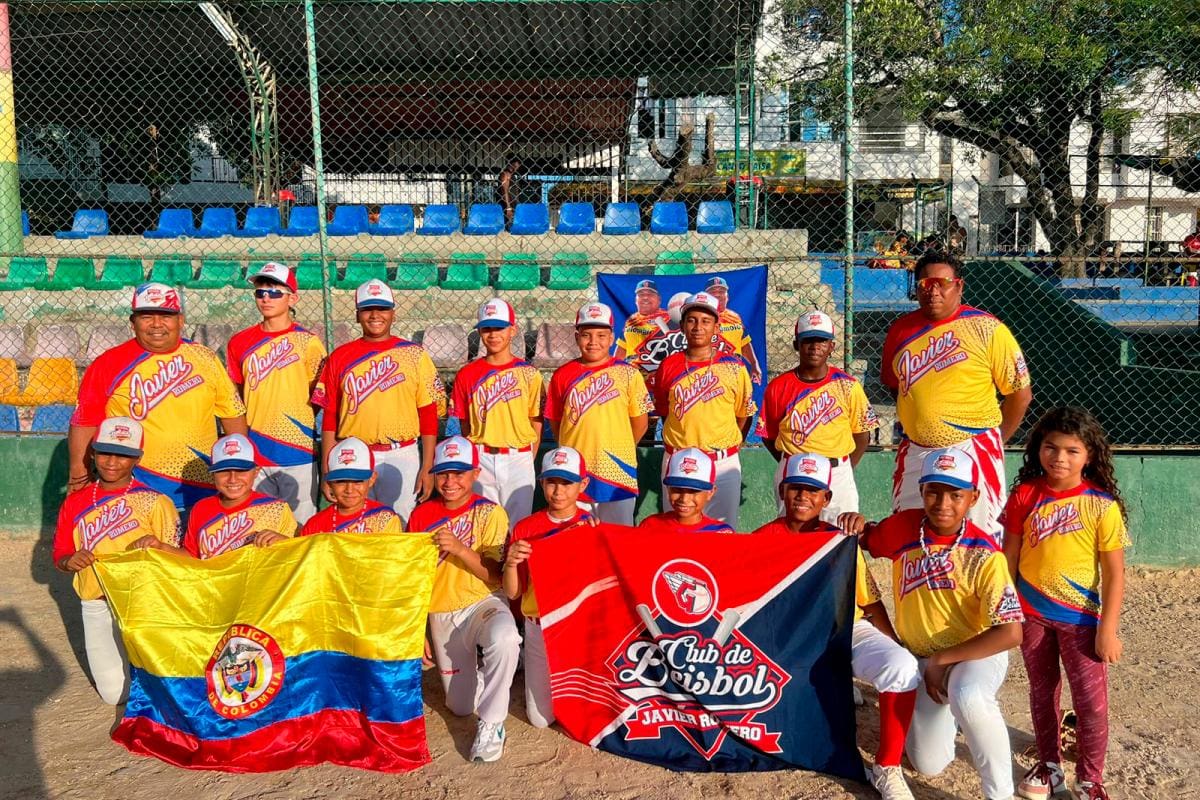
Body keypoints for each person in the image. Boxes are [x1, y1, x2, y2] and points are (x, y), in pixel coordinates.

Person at [840, 447, 1024, 800]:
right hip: (922, 659)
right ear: (922, 490)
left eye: (956, 494)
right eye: (934, 491)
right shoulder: (903, 528)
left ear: (973, 497)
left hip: (974, 654)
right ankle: (950, 714)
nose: (943, 503)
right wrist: (856, 523)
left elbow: (1010, 632)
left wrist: (942, 661)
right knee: (927, 762)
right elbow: (866, 537)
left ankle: (1000, 794)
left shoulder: (984, 552)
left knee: (968, 695)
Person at [753, 453, 920, 800]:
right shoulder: (761, 538)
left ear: (826, 498)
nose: (803, 497)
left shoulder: (838, 539)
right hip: (790, 637)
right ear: (782, 493)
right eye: (796, 488)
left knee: (901, 667)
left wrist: (895, 644)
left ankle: (887, 767)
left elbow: (870, 602)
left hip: (844, 630)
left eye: (813, 491)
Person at [1002, 407, 1129, 800]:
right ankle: (1050, 766)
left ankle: (1090, 779)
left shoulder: (1101, 505)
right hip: (1031, 613)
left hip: (1082, 620)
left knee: (1090, 703)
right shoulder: (1025, 494)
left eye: (1072, 451)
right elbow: (1009, 555)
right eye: (1050, 447)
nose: (1059, 458)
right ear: (1037, 449)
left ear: (1089, 455)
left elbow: (1114, 573)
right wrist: (1006, 607)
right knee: (1043, 693)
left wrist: (1107, 630)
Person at [881, 251, 1033, 536]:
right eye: (925, 284)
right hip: (916, 450)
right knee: (909, 533)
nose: (933, 290)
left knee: (979, 539)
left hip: (973, 447)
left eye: (942, 283)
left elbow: (1020, 395)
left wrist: (993, 442)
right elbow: (896, 387)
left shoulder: (988, 329)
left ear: (959, 286)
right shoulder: (900, 331)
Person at [68, 283, 248, 512]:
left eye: (165, 316)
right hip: (137, 487)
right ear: (133, 323)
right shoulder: (108, 364)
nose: (156, 324)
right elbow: (85, 421)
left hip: (201, 484)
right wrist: (78, 473)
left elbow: (232, 413)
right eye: (146, 317)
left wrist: (238, 464)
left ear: (180, 321)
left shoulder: (205, 358)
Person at [51, 417, 180, 705]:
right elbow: (59, 553)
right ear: (93, 453)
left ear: (137, 459)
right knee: (113, 695)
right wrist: (69, 560)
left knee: (163, 686)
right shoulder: (75, 501)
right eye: (105, 452)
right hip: (96, 601)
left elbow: (179, 561)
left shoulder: (155, 501)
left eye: (123, 455)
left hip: (144, 603)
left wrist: (158, 549)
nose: (112, 461)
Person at [407, 436, 520, 763]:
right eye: (443, 473)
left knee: (506, 637)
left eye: (459, 473)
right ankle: (483, 677)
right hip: (441, 613)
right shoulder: (420, 516)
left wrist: (459, 549)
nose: (450, 481)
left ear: (474, 474)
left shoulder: (490, 512)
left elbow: (495, 576)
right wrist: (418, 629)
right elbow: (413, 579)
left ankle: (493, 723)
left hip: (481, 603)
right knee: (459, 706)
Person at [314, 279, 446, 524]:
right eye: (367, 309)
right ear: (357, 315)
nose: (375, 315)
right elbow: (330, 415)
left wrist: (428, 466)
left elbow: (428, 414)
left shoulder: (414, 355)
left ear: (393, 314)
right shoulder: (340, 356)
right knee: (355, 524)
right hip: (352, 454)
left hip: (401, 453)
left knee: (400, 522)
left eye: (382, 308)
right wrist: (326, 469)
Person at [226, 262, 326, 524]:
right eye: (260, 292)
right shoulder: (239, 342)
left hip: (297, 449)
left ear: (293, 297)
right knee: (258, 525)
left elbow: (316, 397)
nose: (266, 298)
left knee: (300, 524)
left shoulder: (309, 342)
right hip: (256, 448)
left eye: (275, 292)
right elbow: (237, 395)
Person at [502, 446, 594, 728]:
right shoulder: (526, 527)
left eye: (567, 482)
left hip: (578, 627)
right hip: (538, 625)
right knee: (541, 719)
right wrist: (510, 562)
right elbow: (513, 593)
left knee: (584, 716)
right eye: (552, 481)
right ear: (541, 483)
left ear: (583, 484)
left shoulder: (591, 525)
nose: (558, 491)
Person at [759, 311, 878, 521]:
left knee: (841, 534)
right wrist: (791, 460)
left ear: (832, 346)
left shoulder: (848, 385)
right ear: (797, 345)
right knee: (795, 538)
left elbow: (862, 434)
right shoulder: (778, 387)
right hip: (794, 471)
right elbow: (769, 436)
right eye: (808, 341)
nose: (815, 347)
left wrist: (843, 466)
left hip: (837, 472)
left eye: (822, 341)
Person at [653, 292, 755, 527]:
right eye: (691, 320)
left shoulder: (734, 367)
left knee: (723, 531)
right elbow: (665, 411)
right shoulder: (668, 365)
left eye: (706, 321)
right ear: (682, 326)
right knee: (676, 531)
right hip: (678, 457)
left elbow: (743, 415)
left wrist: (725, 444)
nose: (698, 327)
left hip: (722, 461)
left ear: (717, 327)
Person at [544, 302, 652, 525]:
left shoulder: (628, 373)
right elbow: (556, 423)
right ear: (576, 337)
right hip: (574, 470)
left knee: (618, 540)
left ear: (612, 338)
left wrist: (620, 447)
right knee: (577, 540)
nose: (594, 342)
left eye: (602, 335)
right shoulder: (562, 375)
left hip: (617, 471)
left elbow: (640, 422)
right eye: (586, 335)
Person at [449, 298, 544, 526]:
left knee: (519, 526)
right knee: (483, 526)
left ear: (513, 329)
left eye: (499, 327)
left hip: (518, 456)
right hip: (481, 455)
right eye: (487, 328)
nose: (493, 334)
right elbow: (462, 423)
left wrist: (528, 456)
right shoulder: (467, 373)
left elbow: (536, 421)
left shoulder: (529, 373)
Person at [180, 434, 296, 559]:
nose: (233, 479)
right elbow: (191, 557)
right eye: (224, 471)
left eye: (241, 470)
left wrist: (285, 543)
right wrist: (161, 547)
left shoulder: (276, 509)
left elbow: (296, 557)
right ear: (213, 474)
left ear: (256, 471)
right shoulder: (201, 508)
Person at [299, 437, 403, 535]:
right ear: (329, 482)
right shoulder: (314, 525)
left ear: (372, 479)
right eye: (341, 481)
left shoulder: (385, 519)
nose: (349, 490)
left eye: (357, 481)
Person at [640, 448, 734, 535]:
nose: (684, 499)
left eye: (694, 491)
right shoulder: (650, 526)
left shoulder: (721, 533)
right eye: (677, 489)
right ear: (668, 488)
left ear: (710, 492)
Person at [704, 276, 762, 385]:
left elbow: (744, 342)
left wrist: (754, 364)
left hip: (734, 373)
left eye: (722, 291)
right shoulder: (700, 318)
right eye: (713, 292)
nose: (718, 295)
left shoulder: (735, 317)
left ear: (727, 297)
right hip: (708, 375)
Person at [616, 279, 670, 369]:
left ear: (659, 300)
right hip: (632, 372)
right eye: (641, 295)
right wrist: (614, 371)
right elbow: (622, 348)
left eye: (650, 294)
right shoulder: (631, 320)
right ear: (636, 300)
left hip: (657, 371)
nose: (645, 297)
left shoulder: (668, 318)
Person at [498, 155, 524, 227]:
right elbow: (504, 192)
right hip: (507, 206)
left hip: (514, 204)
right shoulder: (505, 175)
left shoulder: (512, 175)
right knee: (508, 226)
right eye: (517, 164)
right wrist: (508, 207)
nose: (518, 166)